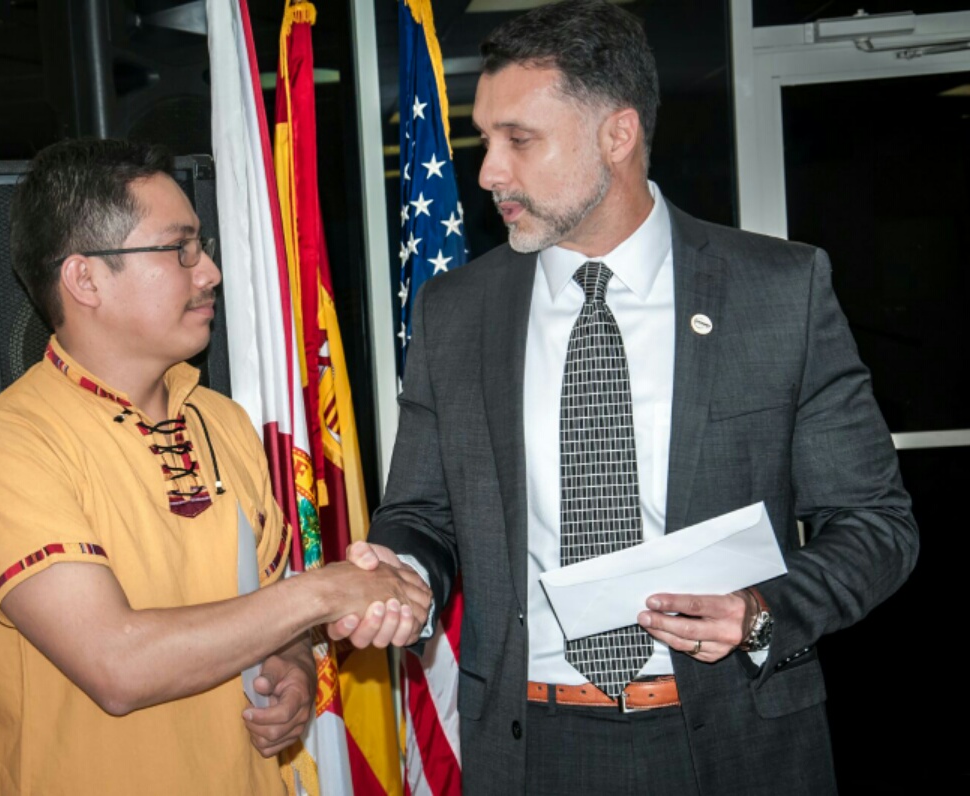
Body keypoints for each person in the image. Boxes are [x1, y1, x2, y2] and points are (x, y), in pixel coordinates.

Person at [331, 1, 919, 793]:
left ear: (617, 134)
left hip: (737, 741)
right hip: (529, 744)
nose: (489, 171)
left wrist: (761, 611)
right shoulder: (456, 312)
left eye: (520, 140)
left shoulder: (777, 291)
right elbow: (423, 514)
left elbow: (875, 525)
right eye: (486, 137)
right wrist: (404, 570)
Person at [0, 138, 430, 795]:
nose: (210, 272)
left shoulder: (220, 421)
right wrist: (327, 591)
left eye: (203, 247)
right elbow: (117, 665)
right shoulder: (6, 448)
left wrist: (295, 676)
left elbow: (267, 619)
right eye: (180, 250)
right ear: (84, 279)